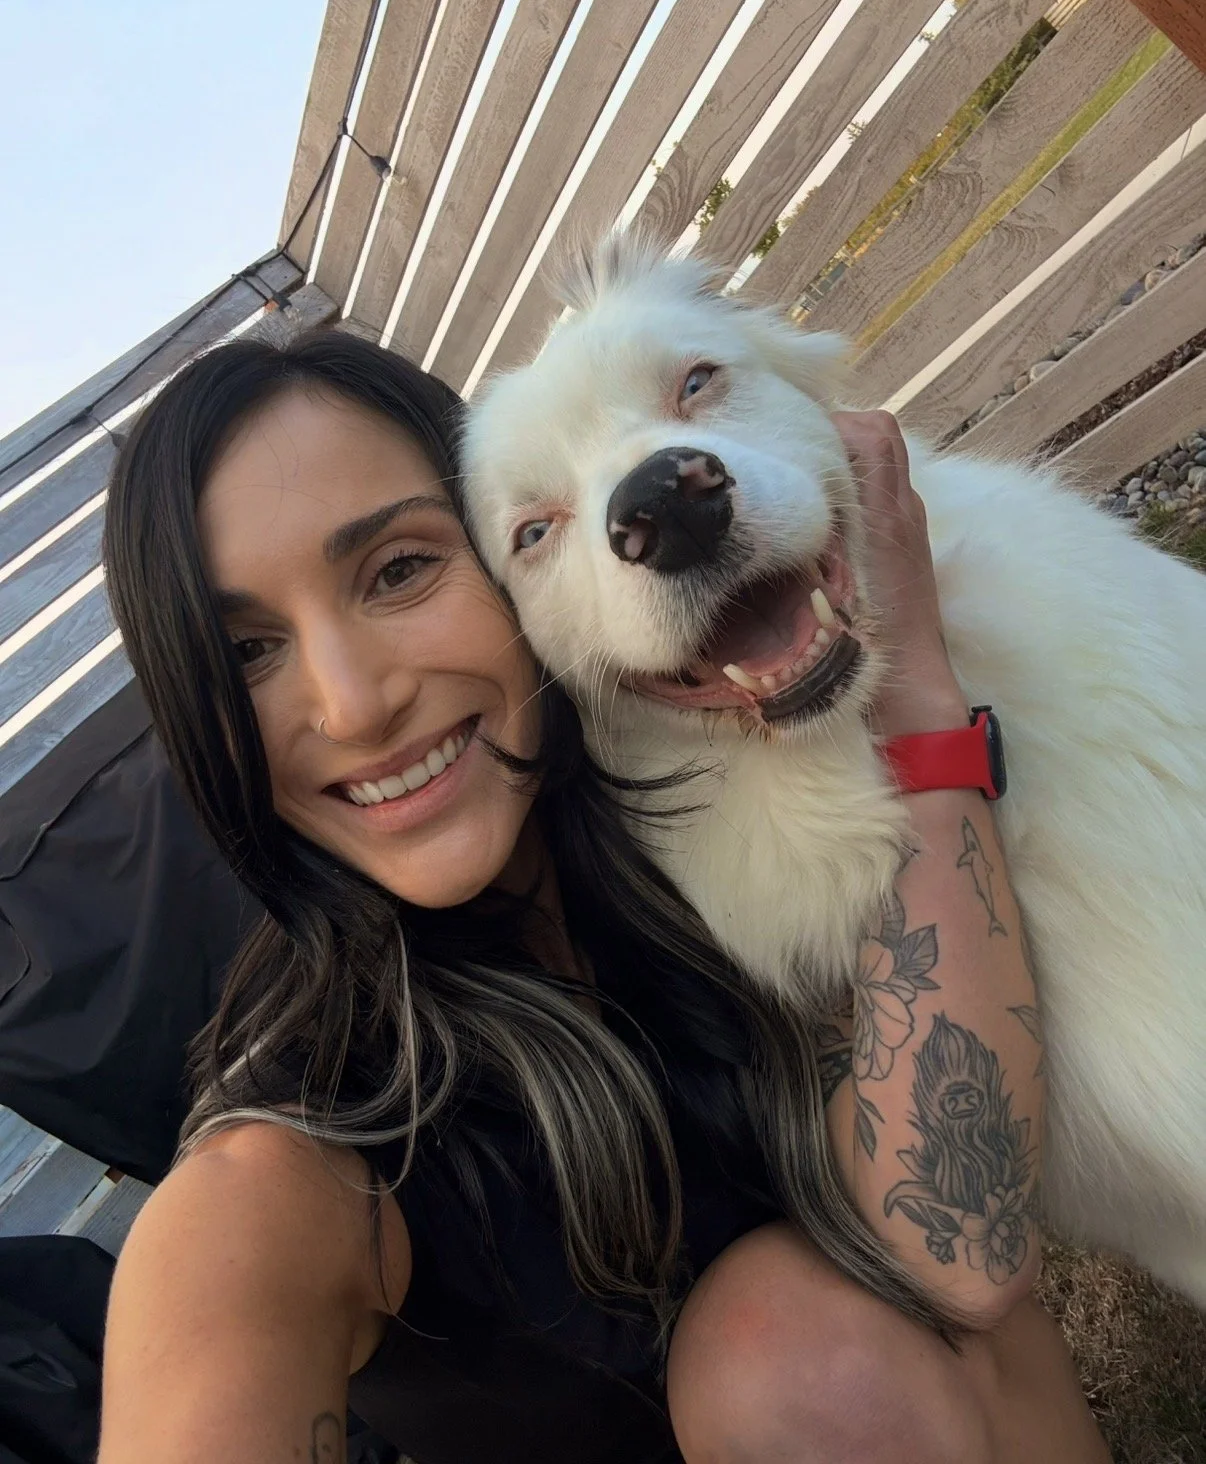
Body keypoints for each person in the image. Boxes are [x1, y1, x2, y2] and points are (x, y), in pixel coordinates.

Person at [96, 332, 1106, 1463]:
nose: (353, 706)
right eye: (245, 652)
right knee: (780, 1352)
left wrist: (909, 666)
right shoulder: (295, 1160)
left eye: (399, 570)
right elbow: (211, 1317)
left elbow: (962, 1241)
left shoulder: (691, 814)